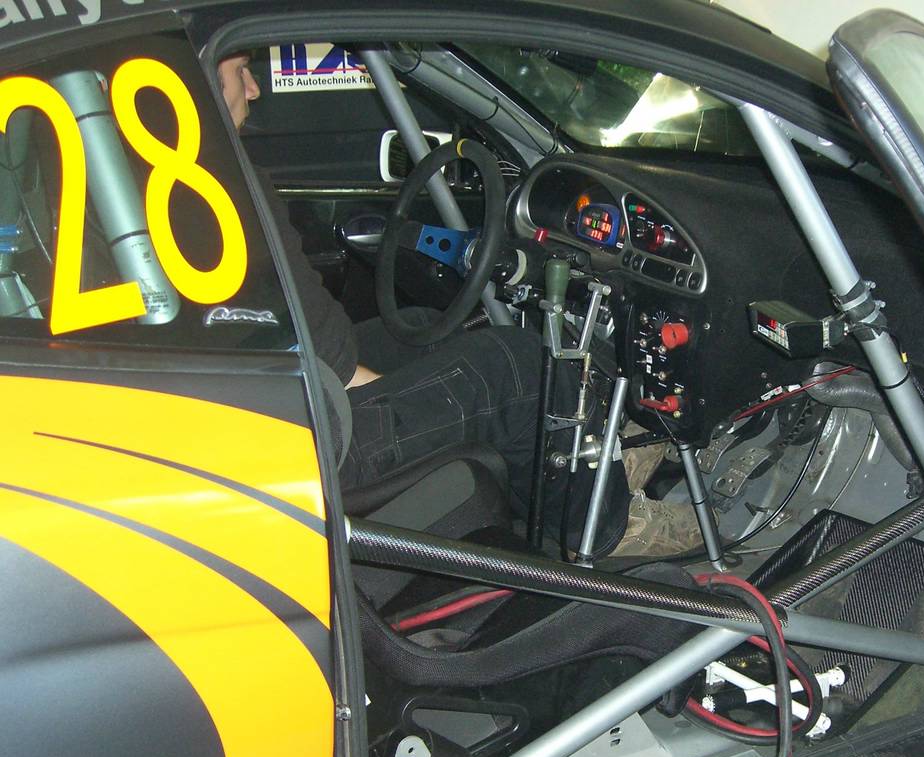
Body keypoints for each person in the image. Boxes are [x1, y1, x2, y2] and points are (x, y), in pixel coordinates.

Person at [217, 53, 690, 556]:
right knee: (515, 368)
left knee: (425, 327)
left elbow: (305, 326)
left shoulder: (205, 177)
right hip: (299, 444)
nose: (254, 88)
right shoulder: (225, 186)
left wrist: (418, 384)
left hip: (258, 403)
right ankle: (606, 528)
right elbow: (329, 352)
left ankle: (587, 468)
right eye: (237, 72)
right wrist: (407, 396)